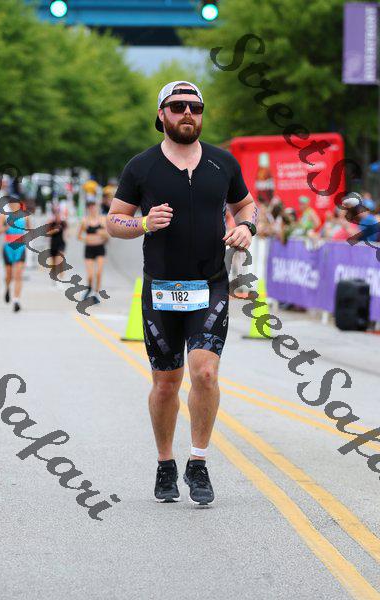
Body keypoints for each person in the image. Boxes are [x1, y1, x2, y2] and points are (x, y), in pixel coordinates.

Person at [107, 80, 258, 506]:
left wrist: (247, 226)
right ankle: (165, 463)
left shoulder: (222, 163)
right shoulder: (141, 167)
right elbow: (114, 221)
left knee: (205, 373)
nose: (188, 113)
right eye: (178, 106)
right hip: (161, 288)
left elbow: (245, 205)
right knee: (166, 383)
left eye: (195, 106)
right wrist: (142, 223)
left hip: (210, 284)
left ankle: (199, 462)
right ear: (161, 115)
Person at [0, 195, 30, 312]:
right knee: (9, 275)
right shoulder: (4, 216)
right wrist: (5, 228)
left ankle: (16, 301)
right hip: (8, 248)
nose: (13, 205)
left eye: (15, 203)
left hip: (20, 248)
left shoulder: (25, 216)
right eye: (11, 203)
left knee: (18, 275)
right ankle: (7, 287)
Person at [77, 201, 108, 301]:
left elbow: (108, 234)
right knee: (90, 275)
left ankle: (96, 293)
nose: (92, 209)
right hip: (89, 249)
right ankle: (89, 288)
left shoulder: (102, 220)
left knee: (98, 273)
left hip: (100, 248)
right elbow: (79, 236)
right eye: (90, 207)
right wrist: (86, 239)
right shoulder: (85, 221)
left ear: (97, 208)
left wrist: (101, 233)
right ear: (88, 209)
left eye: (94, 207)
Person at [47, 204, 68, 283]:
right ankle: (54, 278)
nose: (57, 214)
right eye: (55, 213)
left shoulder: (63, 223)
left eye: (58, 213)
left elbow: (67, 231)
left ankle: (61, 278)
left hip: (61, 244)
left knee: (59, 261)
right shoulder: (51, 222)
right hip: (53, 244)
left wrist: (66, 236)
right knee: (54, 264)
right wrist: (54, 231)